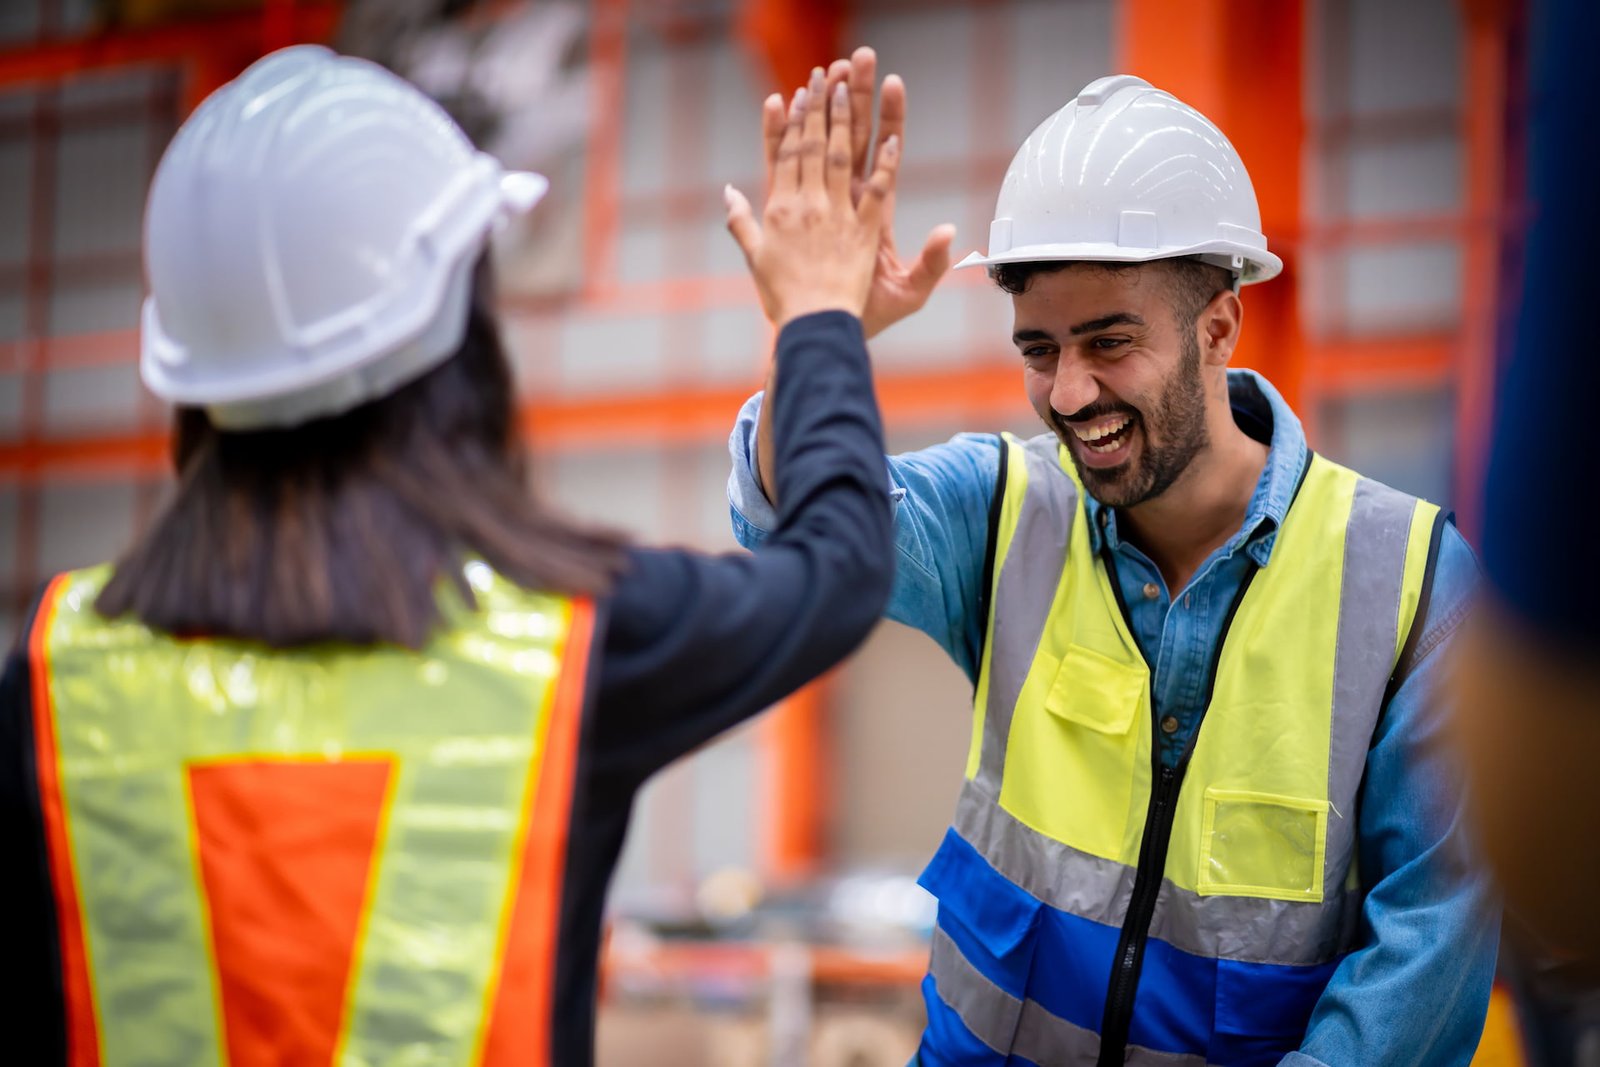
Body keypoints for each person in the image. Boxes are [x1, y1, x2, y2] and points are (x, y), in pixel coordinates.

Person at [0, 47, 899, 1066]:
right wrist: (819, 314)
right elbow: (839, 568)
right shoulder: (566, 648)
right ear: (456, 337)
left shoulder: (52, 675)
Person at [728, 56, 1500, 1066]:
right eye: (1038, 349)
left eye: (1108, 341)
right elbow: (801, 519)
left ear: (1218, 324)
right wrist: (816, 331)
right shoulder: (1002, 511)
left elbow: (1429, 940)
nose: (1068, 391)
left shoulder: (1409, 585)